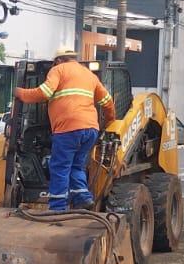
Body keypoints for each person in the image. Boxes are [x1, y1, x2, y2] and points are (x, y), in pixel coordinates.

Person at [15, 49, 117, 212]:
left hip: (68, 129)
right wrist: (110, 121)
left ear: (58, 60)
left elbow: (45, 92)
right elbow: (107, 101)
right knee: (77, 166)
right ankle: (83, 198)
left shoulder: (58, 70)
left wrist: (21, 93)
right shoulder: (89, 75)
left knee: (60, 167)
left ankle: (57, 207)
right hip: (90, 129)